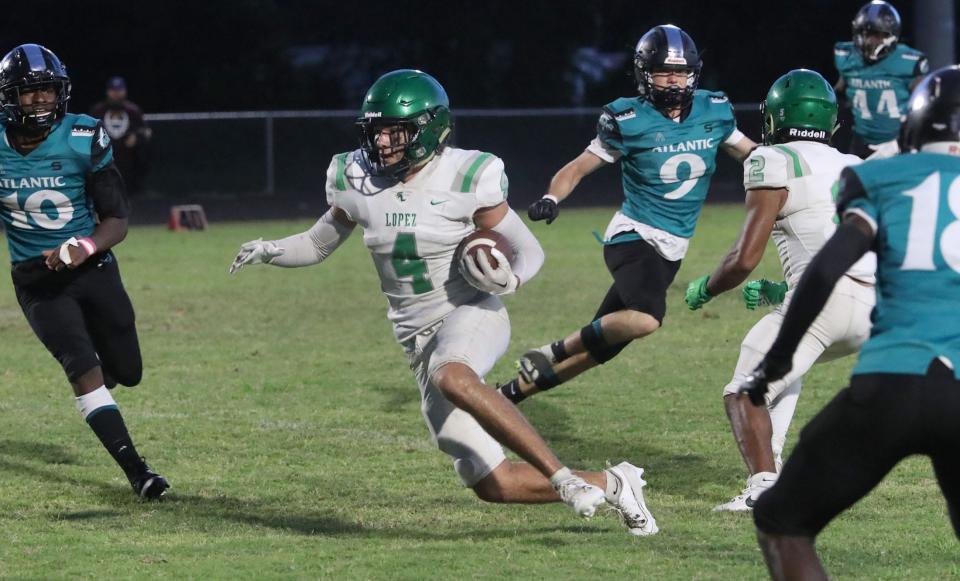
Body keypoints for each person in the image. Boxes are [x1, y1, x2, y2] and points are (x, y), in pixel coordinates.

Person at [229, 69, 658, 536]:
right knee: (492, 483)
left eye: (396, 131)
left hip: (470, 314)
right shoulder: (353, 176)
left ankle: (564, 478)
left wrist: (508, 279)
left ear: (430, 129)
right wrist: (270, 249)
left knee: (452, 374)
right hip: (417, 341)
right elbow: (316, 244)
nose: (383, 143)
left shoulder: (469, 174)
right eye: (376, 131)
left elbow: (530, 249)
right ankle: (615, 484)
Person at [740, 65, 960, 580]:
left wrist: (776, 359)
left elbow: (825, 269)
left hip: (890, 383)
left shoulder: (882, 177)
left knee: (781, 518)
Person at [497, 25, 755, 405]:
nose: (674, 81)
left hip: (671, 249)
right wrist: (552, 197)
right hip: (634, 237)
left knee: (602, 350)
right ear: (644, 73)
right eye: (665, 71)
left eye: (681, 72)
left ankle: (507, 397)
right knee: (646, 318)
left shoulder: (714, 110)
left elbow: (752, 154)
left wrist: (796, 167)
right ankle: (552, 350)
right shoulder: (628, 119)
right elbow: (577, 168)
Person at [683, 70, 876, 511]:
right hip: (874, 305)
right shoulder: (857, 165)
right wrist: (780, 291)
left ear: (773, 118)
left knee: (744, 390)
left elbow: (743, 259)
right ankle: (776, 471)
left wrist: (708, 289)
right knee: (782, 368)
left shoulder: (772, 160)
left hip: (826, 302)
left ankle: (764, 489)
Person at [0, 44, 168, 499]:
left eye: (46, 91)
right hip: (37, 281)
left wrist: (83, 245)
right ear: (8, 97)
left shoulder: (83, 135)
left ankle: (103, 363)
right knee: (81, 366)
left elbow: (117, 218)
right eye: (28, 93)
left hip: (93, 267)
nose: (39, 101)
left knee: (128, 372)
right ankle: (139, 472)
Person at [834, 0, 927, 158]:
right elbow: (838, 95)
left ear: (891, 35)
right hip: (860, 141)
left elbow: (923, 102)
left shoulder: (908, 61)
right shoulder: (848, 57)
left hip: (897, 142)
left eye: (876, 34)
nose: (869, 40)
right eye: (865, 33)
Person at [90, 76, 151, 195]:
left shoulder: (133, 111)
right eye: (113, 90)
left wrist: (137, 137)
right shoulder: (98, 111)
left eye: (119, 90)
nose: (116, 94)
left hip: (128, 166)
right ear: (108, 92)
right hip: (104, 164)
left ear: (125, 91)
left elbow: (146, 131)